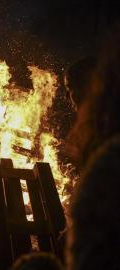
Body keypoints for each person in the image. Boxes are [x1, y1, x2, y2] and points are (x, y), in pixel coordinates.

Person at [66, 29, 120, 270]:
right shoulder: (99, 141)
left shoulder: (111, 156)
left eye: (76, 86)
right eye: (68, 89)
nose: (72, 95)